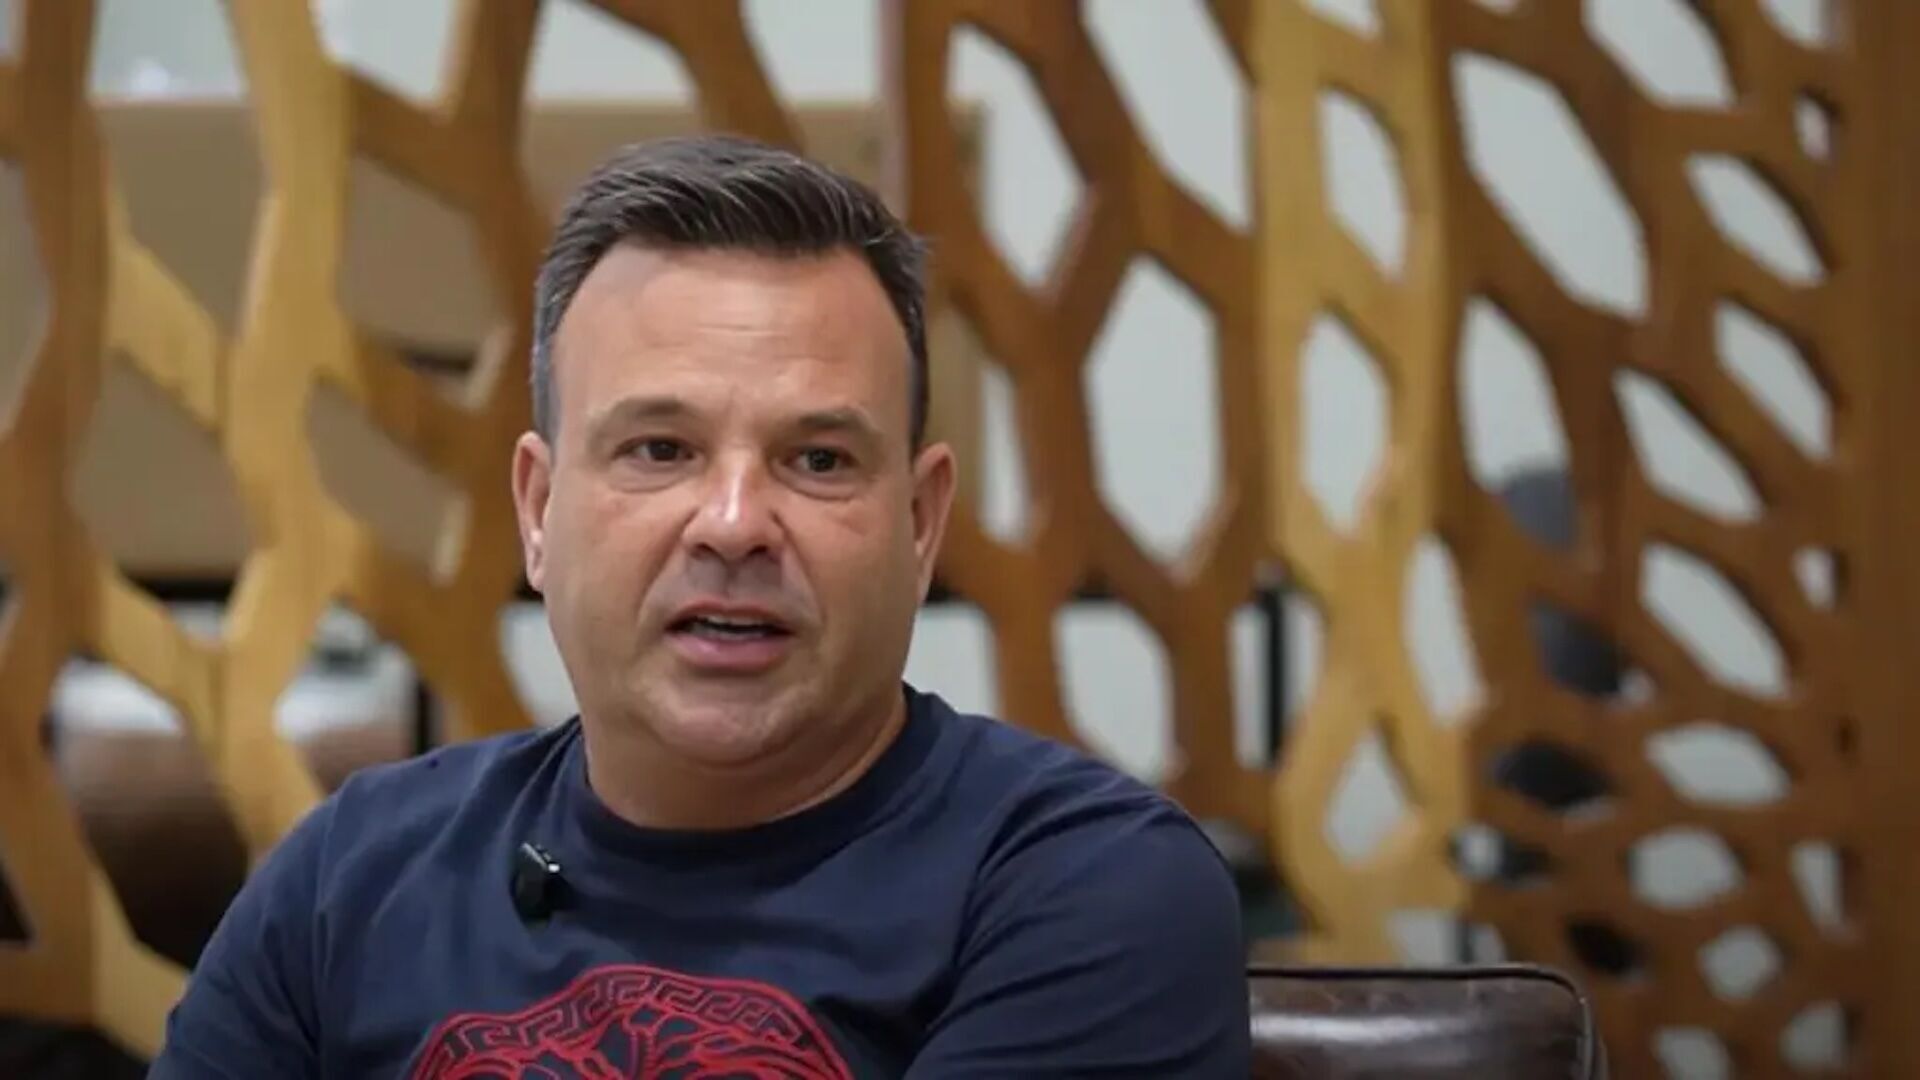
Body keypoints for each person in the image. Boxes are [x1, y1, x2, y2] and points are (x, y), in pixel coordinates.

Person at [151, 134, 1251, 1078]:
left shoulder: (1083, 892)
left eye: (818, 460)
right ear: (538, 510)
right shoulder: (349, 882)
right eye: (659, 450)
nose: (732, 523)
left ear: (921, 524)